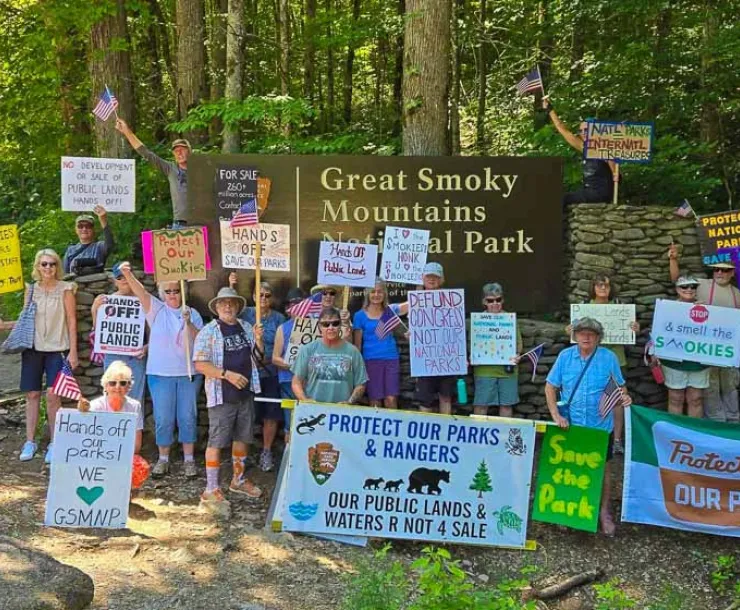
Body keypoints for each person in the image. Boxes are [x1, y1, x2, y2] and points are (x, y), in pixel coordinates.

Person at [545, 317, 632, 536]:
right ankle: (567, 511)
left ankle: (603, 512)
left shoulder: (609, 358)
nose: (586, 337)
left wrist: (625, 397)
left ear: (598, 338)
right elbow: (550, 386)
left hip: (600, 426)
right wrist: (556, 414)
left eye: (591, 334)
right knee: (570, 470)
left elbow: (620, 387)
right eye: (582, 332)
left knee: (603, 470)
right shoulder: (565, 356)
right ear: (575, 335)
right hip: (571, 425)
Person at [117, 261, 204, 478]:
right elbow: (140, 291)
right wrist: (127, 273)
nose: (173, 294)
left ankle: (189, 460)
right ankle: (163, 458)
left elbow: (201, 341)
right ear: (162, 292)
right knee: (163, 417)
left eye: (176, 290)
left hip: (189, 373)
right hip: (160, 373)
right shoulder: (156, 309)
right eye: (168, 291)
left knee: (187, 416)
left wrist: (189, 323)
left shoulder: (192, 313)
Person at [193, 287, 265, 509]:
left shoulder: (245, 327)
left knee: (242, 437)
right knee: (216, 440)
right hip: (221, 394)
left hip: (246, 392)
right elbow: (200, 364)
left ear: (237, 307)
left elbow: (259, 358)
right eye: (223, 303)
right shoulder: (208, 331)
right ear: (216, 307)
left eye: (232, 303)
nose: (227, 306)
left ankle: (238, 479)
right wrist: (227, 375)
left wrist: (259, 340)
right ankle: (211, 489)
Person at [9, 250, 79, 463]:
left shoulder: (66, 289)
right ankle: (30, 441)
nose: (48, 268)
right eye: (44, 264)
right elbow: (25, 319)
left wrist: (74, 351)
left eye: (52, 264)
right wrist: (5, 324)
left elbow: (72, 321)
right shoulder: (30, 290)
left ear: (57, 266)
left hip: (58, 348)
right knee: (31, 395)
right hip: (33, 348)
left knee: (53, 395)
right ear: (37, 267)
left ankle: (54, 442)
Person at [567, 273, 639, 454]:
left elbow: (630, 331)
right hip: (589, 359)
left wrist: (634, 329)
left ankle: (616, 439)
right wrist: (568, 330)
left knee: (616, 400)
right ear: (593, 287)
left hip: (615, 358)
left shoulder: (620, 307)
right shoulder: (583, 308)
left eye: (606, 285)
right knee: (589, 395)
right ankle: (588, 434)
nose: (603, 288)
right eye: (599, 285)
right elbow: (573, 331)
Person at [668, 244, 740, 423]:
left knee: (730, 385)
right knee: (710, 387)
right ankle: (715, 421)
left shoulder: (737, 294)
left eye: (725, 271)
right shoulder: (702, 285)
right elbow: (678, 280)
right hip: (705, 349)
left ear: (732, 273)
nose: (720, 274)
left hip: (728, 350)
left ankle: (733, 420)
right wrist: (673, 259)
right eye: (716, 270)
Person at [229, 274, 286, 472]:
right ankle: (244, 454)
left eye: (267, 295)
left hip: (270, 372)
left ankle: (267, 451)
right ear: (253, 296)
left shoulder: (279, 319)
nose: (263, 299)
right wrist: (231, 285)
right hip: (247, 373)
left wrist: (268, 359)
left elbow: (283, 346)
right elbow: (229, 310)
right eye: (259, 295)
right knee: (245, 413)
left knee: (270, 414)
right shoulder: (245, 314)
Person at [650, 276, 708, 418]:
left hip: (698, 362)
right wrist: (654, 351)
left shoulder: (708, 310)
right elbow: (657, 332)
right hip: (674, 362)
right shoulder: (667, 309)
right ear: (677, 289)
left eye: (692, 287)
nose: (689, 289)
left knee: (696, 399)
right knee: (676, 398)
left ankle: (694, 433)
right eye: (684, 286)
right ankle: (675, 433)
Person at [115, 118, 191, 225]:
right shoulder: (170, 168)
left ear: (189, 151)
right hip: (180, 223)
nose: (179, 153)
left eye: (182, 150)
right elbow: (146, 154)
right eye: (176, 151)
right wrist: (127, 132)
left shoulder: (201, 169)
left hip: (202, 221)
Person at [91, 263, 148, 404]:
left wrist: (147, 347)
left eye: (127, 275)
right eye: (119, 277)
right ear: (114, 281)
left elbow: (151, 329)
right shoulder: (105, 301)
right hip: (112, 355)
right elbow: (98, 332)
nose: (124, 280)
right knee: (112, 399)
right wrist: (94, 309)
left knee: (135, 401)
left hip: (136, 356)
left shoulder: (143, 300)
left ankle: (135, 427)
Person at [543, 97, 617, 205]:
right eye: (581, 130)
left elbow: (616, 173)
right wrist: (550, 110)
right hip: (588, 191)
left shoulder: (605, 149)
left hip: (600, 193)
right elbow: (563, 130)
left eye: (586, 130)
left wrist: (616, 174)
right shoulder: (585, 147)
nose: (583, 133)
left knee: (563, 199)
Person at [291, 307, 368, 404]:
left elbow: (361, 383)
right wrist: (305, 400)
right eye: (326, 324)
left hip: (341, 412)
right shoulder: (307, 349)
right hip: (313, 408)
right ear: (319, 326)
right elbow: (296, 381)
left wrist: (350, 402)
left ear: (340, 325)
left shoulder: (353, 351)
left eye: (335, 323)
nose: (330, 328)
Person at [352, 278, 408, 409]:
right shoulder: (359, 316)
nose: (376, 295)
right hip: (370, 361)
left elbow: (412, 304)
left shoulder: (390, 311)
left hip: (391, 359)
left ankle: (393, 428)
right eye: (373, 292)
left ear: (385, 294)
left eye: (379, 292)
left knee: (391, 399)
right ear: (367, 294)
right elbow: (357, 346)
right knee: (375, 400)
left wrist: (422, 290)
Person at [472, 283, 523, 418]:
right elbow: (472, 344)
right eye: (490, 300)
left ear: (502, 300)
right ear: (484, 302)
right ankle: (479, 436)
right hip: (484, 369)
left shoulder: (510, 320)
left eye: (498, 300)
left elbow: (518, 344)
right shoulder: (478, 321)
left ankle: (504, 437)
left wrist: (517, 355)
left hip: (507, 369)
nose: (495, 303)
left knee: (506, 405)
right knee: (481, 405)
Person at [413, 262, 456, 415]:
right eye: (428, 276)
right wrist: (411, 334)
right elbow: (414, 327)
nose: (432, 280)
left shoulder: (452, 300)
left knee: (445, 397)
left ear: (442, 279)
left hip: (447, 357)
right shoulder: (415, 301)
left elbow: (457, 329)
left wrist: (461, 354)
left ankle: (446, 435)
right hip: (425, 358)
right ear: (422, 278)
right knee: (425, 399)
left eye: (435, 277)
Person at [78, 360, 144, 455]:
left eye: (123, 383)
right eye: (112, 383)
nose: (117, 387)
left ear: (128, 386)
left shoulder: (135, 406)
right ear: (106, 386)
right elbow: (84, 438)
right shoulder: (96, 406)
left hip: (125, 455)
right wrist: (83, 411)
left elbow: (137, 444)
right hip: (98, 455)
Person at [271, 287, 308, 440]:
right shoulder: (282, 328)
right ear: (288, 309)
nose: (298, 308)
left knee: (310, 421)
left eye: (301, 304)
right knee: (290, 421)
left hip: (311, 381)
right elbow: (275, 358)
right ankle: (289, 460)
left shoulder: (316, 326)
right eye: (294, 305)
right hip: (288, 381)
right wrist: (293, 366)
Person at [62, 207, 115, 275]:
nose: (84, 229)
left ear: (93, 229)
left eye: (88, 226)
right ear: (76, 230)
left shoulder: (99, 247)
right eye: (80, 226)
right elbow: (65, 274)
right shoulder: (70, 250)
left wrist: (103, 220)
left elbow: (110, 244)